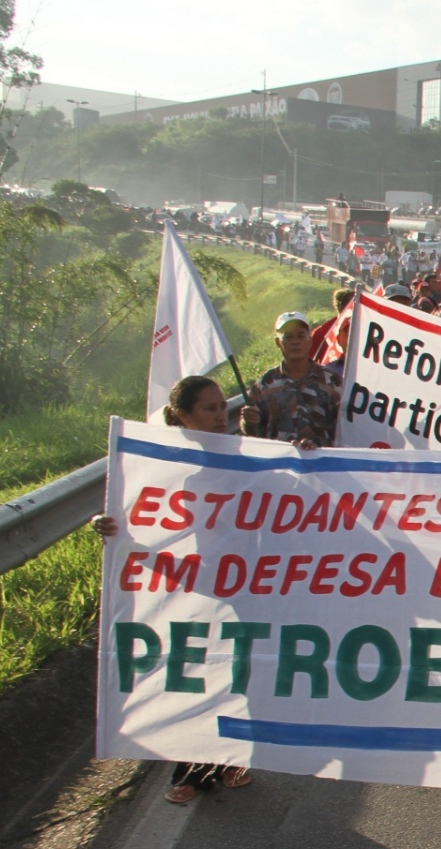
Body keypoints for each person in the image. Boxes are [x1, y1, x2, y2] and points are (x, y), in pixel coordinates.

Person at [94, 376, 252, 804]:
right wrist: (107, 527)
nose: (221, 416)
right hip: (190, 588)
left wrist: (305, 459)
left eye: (223, 407)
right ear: (182, 416)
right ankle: (190, 769)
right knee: (192, 673)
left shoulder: (249, 455)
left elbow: (298, 496)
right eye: (209, 409)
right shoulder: (161, 466)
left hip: (244, 585)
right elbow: (134, 518)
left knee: (234, 672)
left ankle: (236, 757)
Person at [241, 312, 340, 449]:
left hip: (323, 465)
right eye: (288, 337)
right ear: (278, 343)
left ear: (310, 340)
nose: (295, 342)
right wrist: (248, 422)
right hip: (282, 465)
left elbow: (349, 425)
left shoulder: (332, 381)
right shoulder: (266, 384)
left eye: (300, 336)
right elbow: (251, 431)